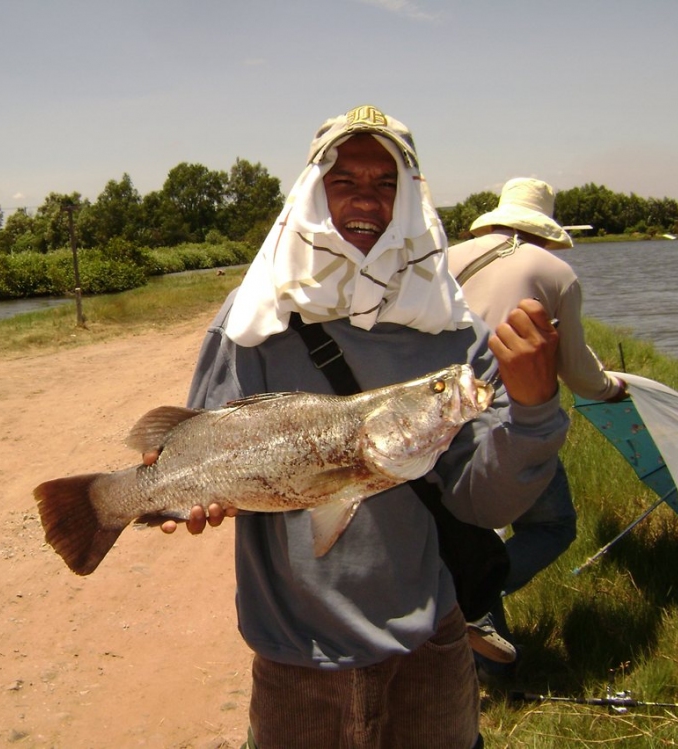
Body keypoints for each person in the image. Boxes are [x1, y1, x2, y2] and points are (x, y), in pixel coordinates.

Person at [159, 107, 569, 748]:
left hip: (429, 643)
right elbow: (202, 451)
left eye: (386, 183)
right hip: (295, 652)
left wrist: (536, 408)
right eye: (345, 180)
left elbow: (479, 500)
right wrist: (192, 498)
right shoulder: (253, 317)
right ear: (313, 190)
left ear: (410, 198)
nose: (366, 201)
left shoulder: (453, 329)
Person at [447, 177, 628, 670]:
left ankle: (475, 643)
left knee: (459, 524)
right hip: (511, 412)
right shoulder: (556, 271)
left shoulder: (449, 257)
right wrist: (611, 388)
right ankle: (473, 597)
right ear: (546, 230)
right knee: (552, 525)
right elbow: (576, 368)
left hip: (441, 409)